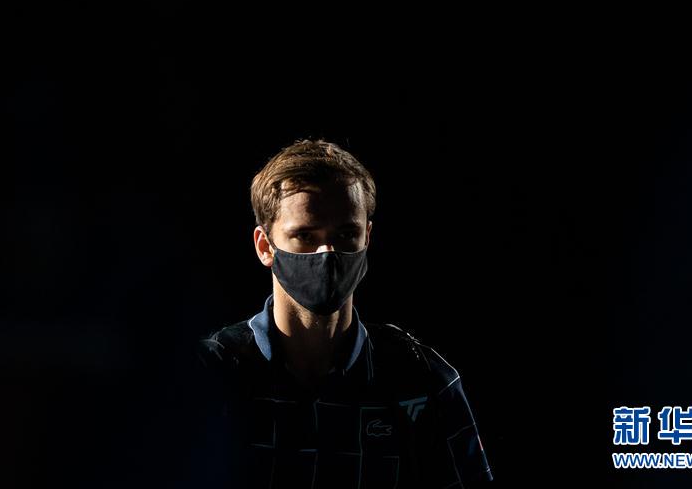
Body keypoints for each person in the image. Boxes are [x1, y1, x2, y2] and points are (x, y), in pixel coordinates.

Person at [194, 138, 493, 488]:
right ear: (265, 246)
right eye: (305, 236)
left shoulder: (422, 382)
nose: (327, 253)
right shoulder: (209, 376)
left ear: (367, 237)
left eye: (347, 233)